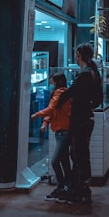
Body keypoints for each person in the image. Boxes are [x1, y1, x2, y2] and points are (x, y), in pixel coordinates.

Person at [55, 43, 103, 205]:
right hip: (87, 119)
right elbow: (98, 100)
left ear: (80, 55)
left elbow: (70, 93)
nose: (75, 57)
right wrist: (88, 106)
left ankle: (80, 192)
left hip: (80, 121)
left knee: (78, 155)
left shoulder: (84, 75)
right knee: (82, 154)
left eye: (76, 54)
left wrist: (55, 104)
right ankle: (81, 189)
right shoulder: (95, 73)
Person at [32, 73, 72, 201]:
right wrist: (45, 123)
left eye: (52, 83)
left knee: (55, 161)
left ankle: (61, 188)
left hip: (63, 132)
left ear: (57, 82)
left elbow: (50, 109)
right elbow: (54, 111)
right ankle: (68, 188)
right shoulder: (61, 93)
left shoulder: (60, 93)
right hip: (62, 131)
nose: (50, 85)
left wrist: (37, 115)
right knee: (64, 161)